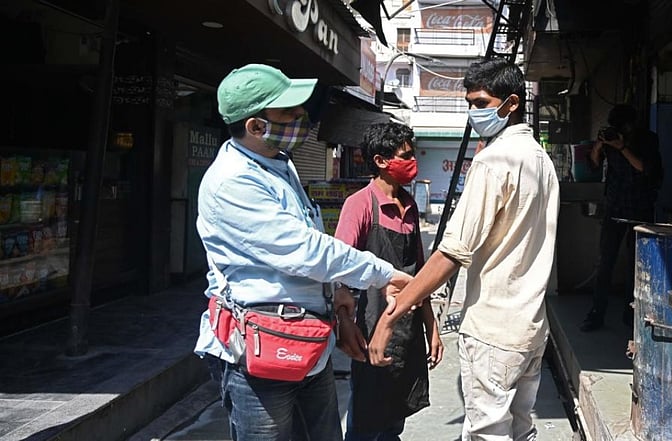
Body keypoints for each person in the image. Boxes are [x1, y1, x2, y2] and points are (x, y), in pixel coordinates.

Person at [193, 63, 412, 441]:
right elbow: (306, 251)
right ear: (256, 126)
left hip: (308, 342)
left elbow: (310, 255)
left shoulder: (278, 165)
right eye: (290, 113)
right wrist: (383, 273)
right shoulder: (232, 181)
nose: (303, 118)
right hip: (260, 350)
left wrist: (339, 303)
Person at [367, 57, 560, 441]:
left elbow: (453, 252)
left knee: (488, 433)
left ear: (512, 103)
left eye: (481, 103)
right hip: (530, 328)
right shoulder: (541, 159)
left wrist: (391, 317)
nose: (474, 113)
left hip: (495, 329)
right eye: (470, 103)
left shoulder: (493, 161)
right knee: (520, 431)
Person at [334, 122, 443, 441]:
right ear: (381, 161)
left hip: (406, 333)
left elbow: (421, 276)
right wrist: (344, 321)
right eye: (405, 156)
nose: (413, 162)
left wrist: (431, 328)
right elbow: (339, 269)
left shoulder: (410, 206)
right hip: (370, 330)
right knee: (365, 422)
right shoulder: (359, 205)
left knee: (395, 418)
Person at [580, 104, 662, 332]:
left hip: (640, 207)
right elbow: (593, 165)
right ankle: (596, 313)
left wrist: (622, 147)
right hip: (615, 207)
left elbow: (645, 169)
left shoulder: (647, 140)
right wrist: (600, 145)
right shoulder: (610, 139)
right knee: (605, 262)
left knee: (637, 265)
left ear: (632, 125)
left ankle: (631, 312)